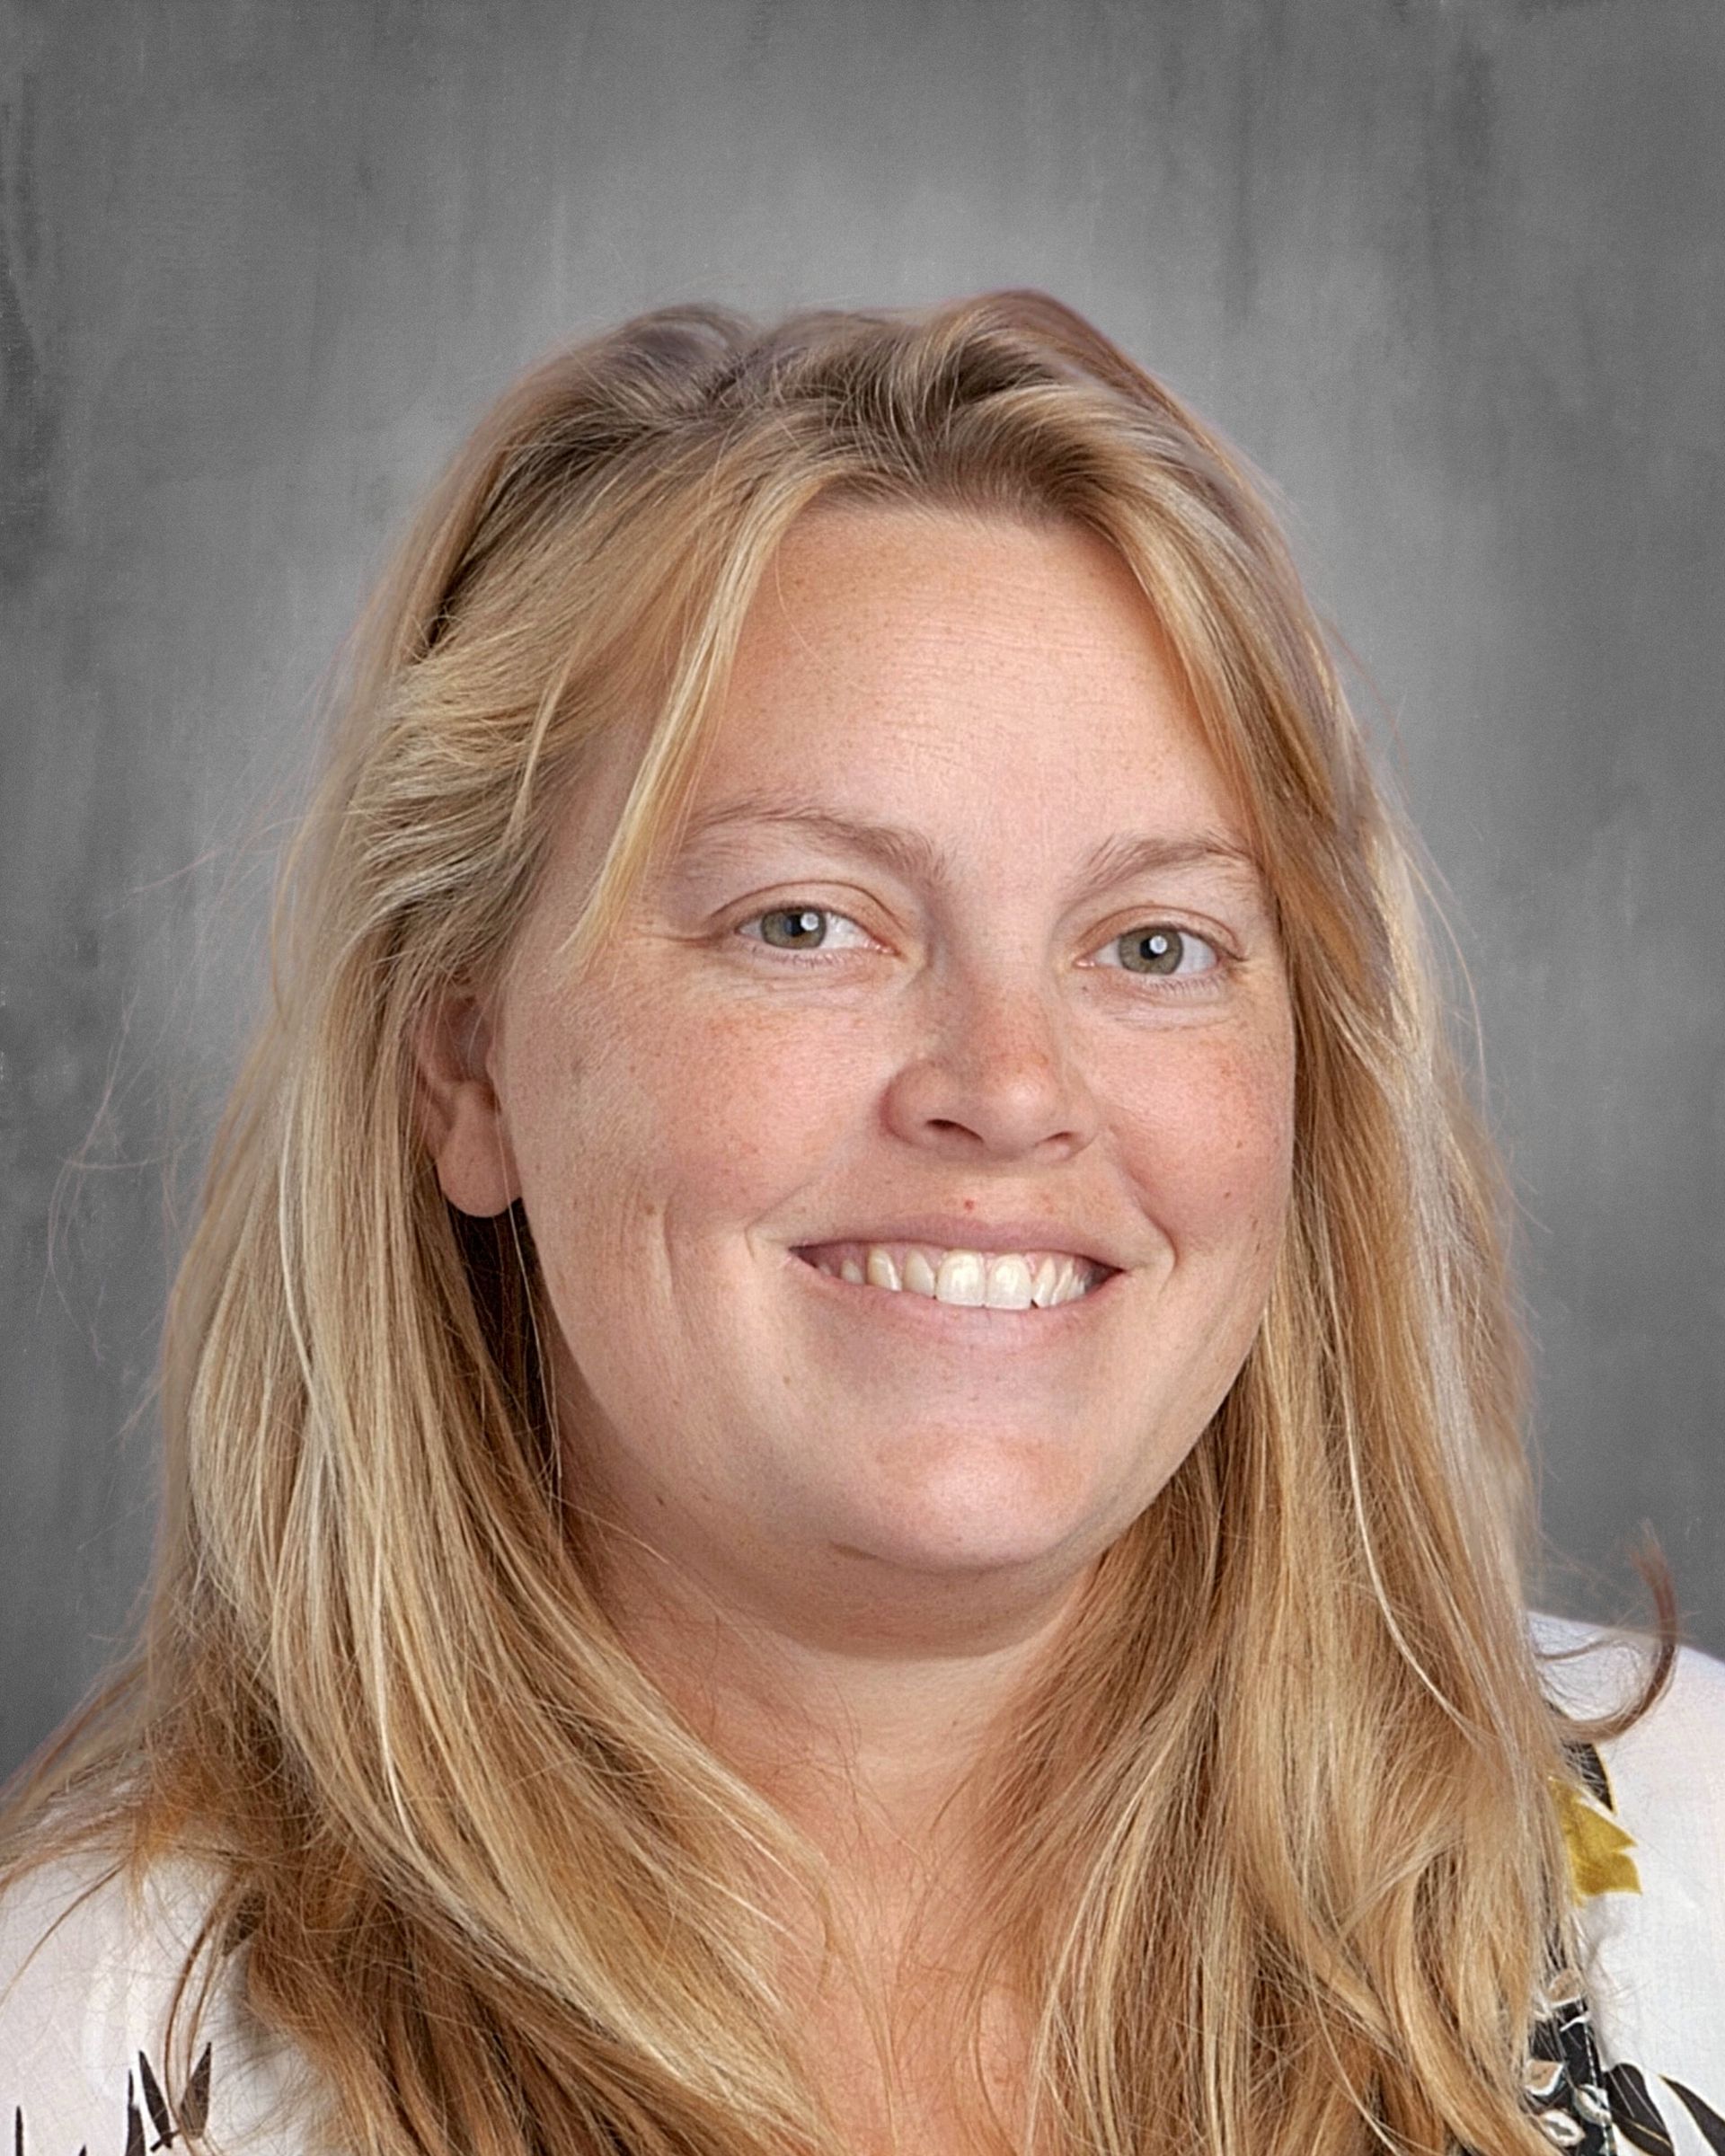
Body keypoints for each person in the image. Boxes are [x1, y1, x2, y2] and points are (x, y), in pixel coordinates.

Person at [1, 293, 1720, 2156]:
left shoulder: (1695, 1869)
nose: (1005, 1082)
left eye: (1153, 945)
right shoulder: (90, 2045)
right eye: (806, 923)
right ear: (468, 1066)